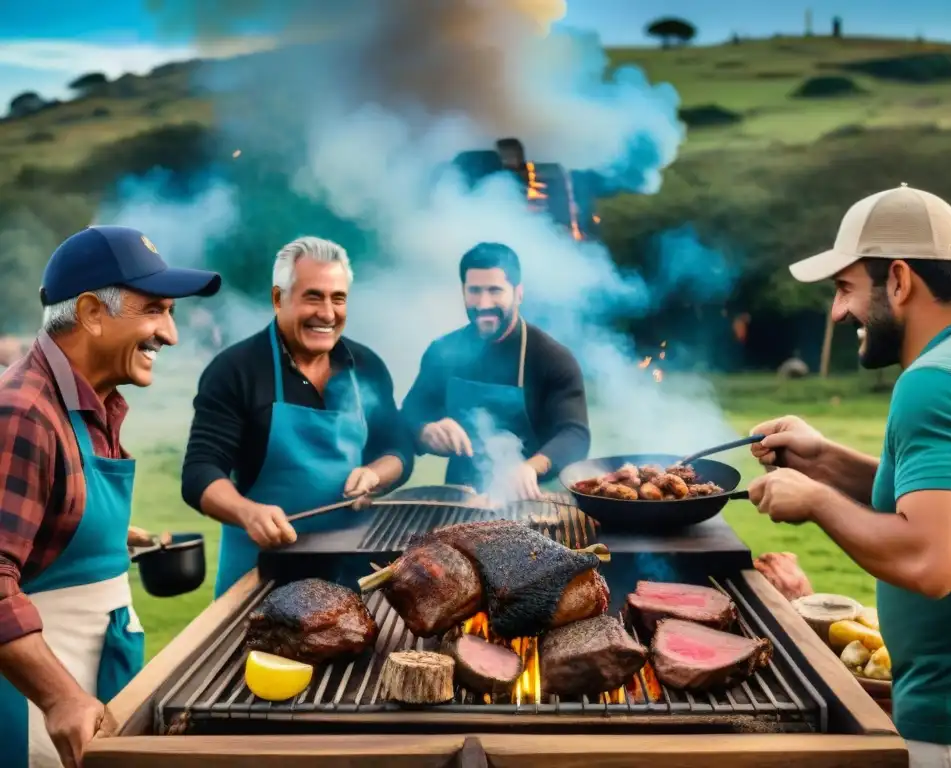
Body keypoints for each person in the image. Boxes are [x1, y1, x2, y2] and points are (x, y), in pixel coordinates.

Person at [746, 184, 951, 766]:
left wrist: (817, 500)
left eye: (846, 288)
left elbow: (933, 558)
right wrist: (822, 459)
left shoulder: (937, 379)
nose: (838, 310)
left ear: (898, 280)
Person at [0, 225, 221, 768]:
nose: (169, 334)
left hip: (96, 676)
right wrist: (57, 697)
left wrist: (94, 531)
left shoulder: (95, 400)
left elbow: (40, 517)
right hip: (39, 711)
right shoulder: (23, 413)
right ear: (94, 313)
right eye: (155, 311)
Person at [181, 236, 415, 598]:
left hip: (351, 576)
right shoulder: (236, 370)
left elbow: (398, 448)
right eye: (313, 296)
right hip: (259, 575)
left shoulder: (366, 367)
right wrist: (247, 512)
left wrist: (375, 474)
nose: (327, 313)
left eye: (338, 298)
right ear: (278, 298)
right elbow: (200, 473)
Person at [401, 242, 590, 501]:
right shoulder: (442, 351)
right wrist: (425, 430)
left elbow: (575, 434)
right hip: (460, 498)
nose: (483, 303)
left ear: (518, 293)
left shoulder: (551, 357)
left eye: (495, 291)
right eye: (475, 291)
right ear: (463, 291)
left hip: (533, 499)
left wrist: (530, 468)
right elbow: (412, 411)